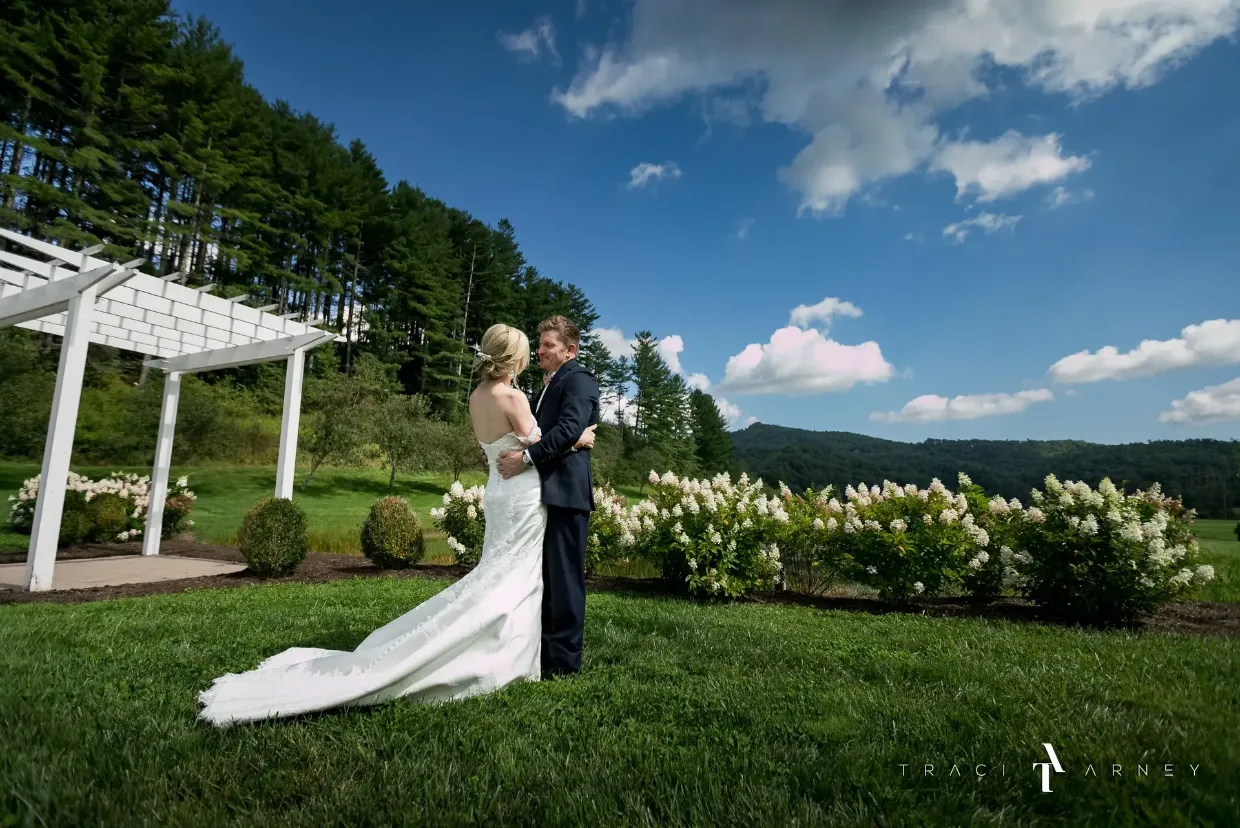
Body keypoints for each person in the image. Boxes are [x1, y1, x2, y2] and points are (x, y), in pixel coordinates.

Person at [197, 324, 595, 726]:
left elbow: (502, 446)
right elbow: (541, 440)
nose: (534, 355)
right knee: (514, 577)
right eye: (531, 349)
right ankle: (503, 657)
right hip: (520, 495)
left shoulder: (476, 396)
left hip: (498, 491)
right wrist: (580, 438)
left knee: (501, 572)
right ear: (514, 358)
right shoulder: (513, 396)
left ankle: (512, 651)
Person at [496, 315, 599, 678]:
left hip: (566, 495)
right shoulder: (548, 384)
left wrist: (525, 459)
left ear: (570, 350)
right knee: (544, 579)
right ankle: (540, 655)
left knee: (565, 580)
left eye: (547, 345)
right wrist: (572, 440)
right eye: (539, 345)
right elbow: (555, 433)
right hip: (542, 494)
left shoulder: (580, 380)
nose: (539, 351)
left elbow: (570, 427)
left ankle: (565, 665)